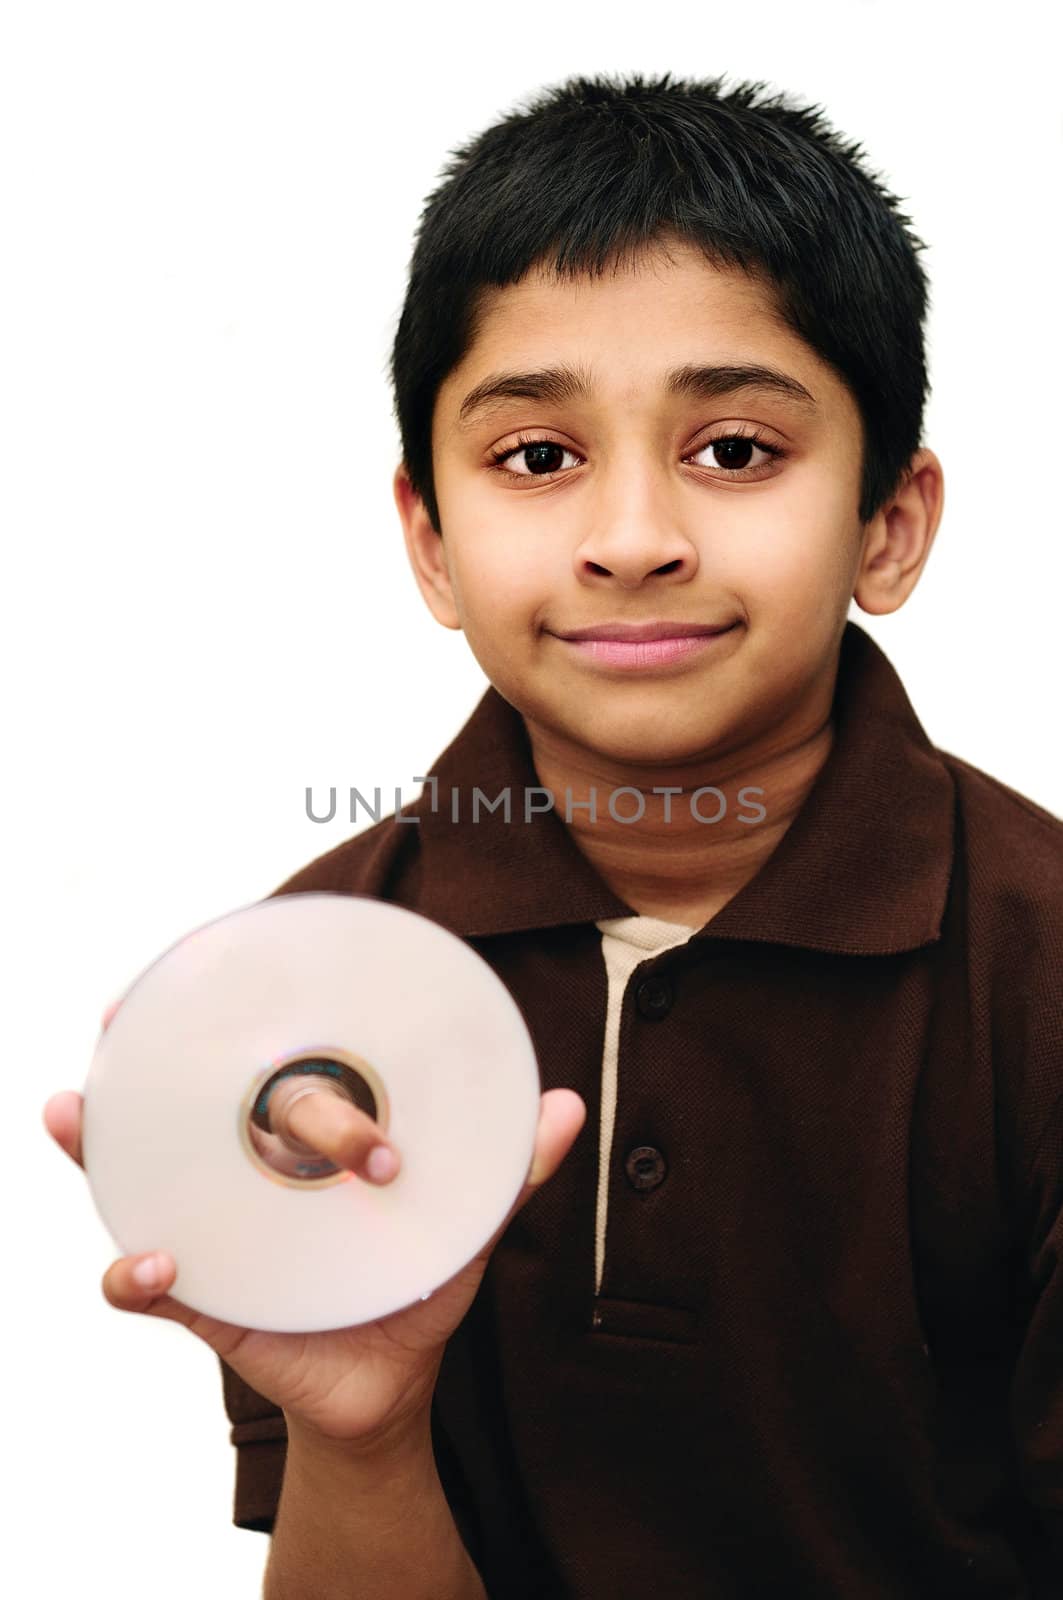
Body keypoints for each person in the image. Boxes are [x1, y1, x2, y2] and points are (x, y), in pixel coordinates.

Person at [43, 70, 1063, 1599]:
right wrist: (360, 1429)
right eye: (537, 457)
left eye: (735, 450)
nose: (634, 536)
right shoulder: (308, 990)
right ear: (430, 541)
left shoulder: (1042, 973)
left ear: (889, 525)